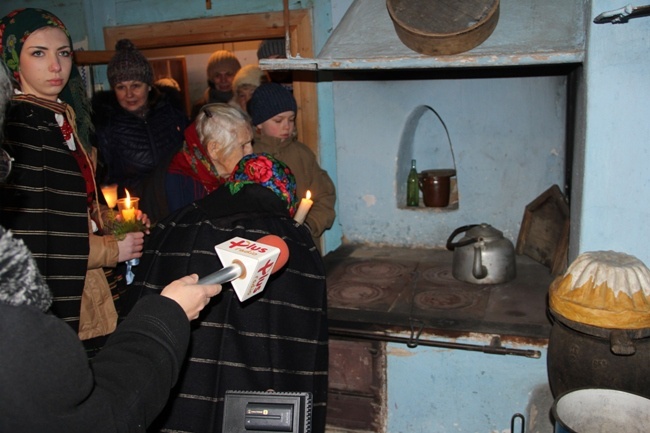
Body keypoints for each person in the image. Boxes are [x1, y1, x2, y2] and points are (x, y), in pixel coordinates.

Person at [128, 153, 329, 433]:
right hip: (257, 402)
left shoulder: (174, 223)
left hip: (177, 388)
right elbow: (301, 338)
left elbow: (141, 301)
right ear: (285, 195)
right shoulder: (292, 239)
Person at [0, 8, 148, 355]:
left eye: (63, 53)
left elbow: (70, 203)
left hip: (89, 287)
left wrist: (110, 219)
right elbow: (35, 236)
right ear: (11, 61)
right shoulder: (20, 127)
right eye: (38, 53)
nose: (56, 66)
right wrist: (113, 249)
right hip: (62, 296)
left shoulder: (59, 116)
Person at [93, 39, 188, 198]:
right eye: (121, 87)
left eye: (136, 85)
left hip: (177, 200)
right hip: (134, 210)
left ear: (149, 86)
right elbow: (103, 180)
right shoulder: (105, 124)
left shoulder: (171, 112)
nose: (129, 94)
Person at [248, 82, 336, 246]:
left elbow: (324, 195)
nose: (286, 126)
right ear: (259, 123)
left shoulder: (302, 154)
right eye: (278, 120)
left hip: (302, 245)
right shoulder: (249, 156)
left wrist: (309, 226)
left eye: (291, 119)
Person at [139, 103, 254, 222]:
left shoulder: (229, 173)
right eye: (243, 146)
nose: (250, 152)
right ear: (213, 149)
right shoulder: (180, 185)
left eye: (251, 143)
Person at [191, 49, 241, 119]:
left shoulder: (245, 104)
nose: (223, 80)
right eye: (217, 75)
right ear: (211, 79)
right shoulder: (200, 108)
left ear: (237, 76)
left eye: (228, 74)